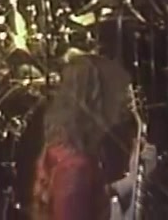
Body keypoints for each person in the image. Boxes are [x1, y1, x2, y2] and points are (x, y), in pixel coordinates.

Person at [31, 50, 157, 220]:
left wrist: (133, 180)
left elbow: (92, 200)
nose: (123, 105)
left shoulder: (63, 148)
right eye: (118, 95)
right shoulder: (74, 168)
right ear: (98, 101)